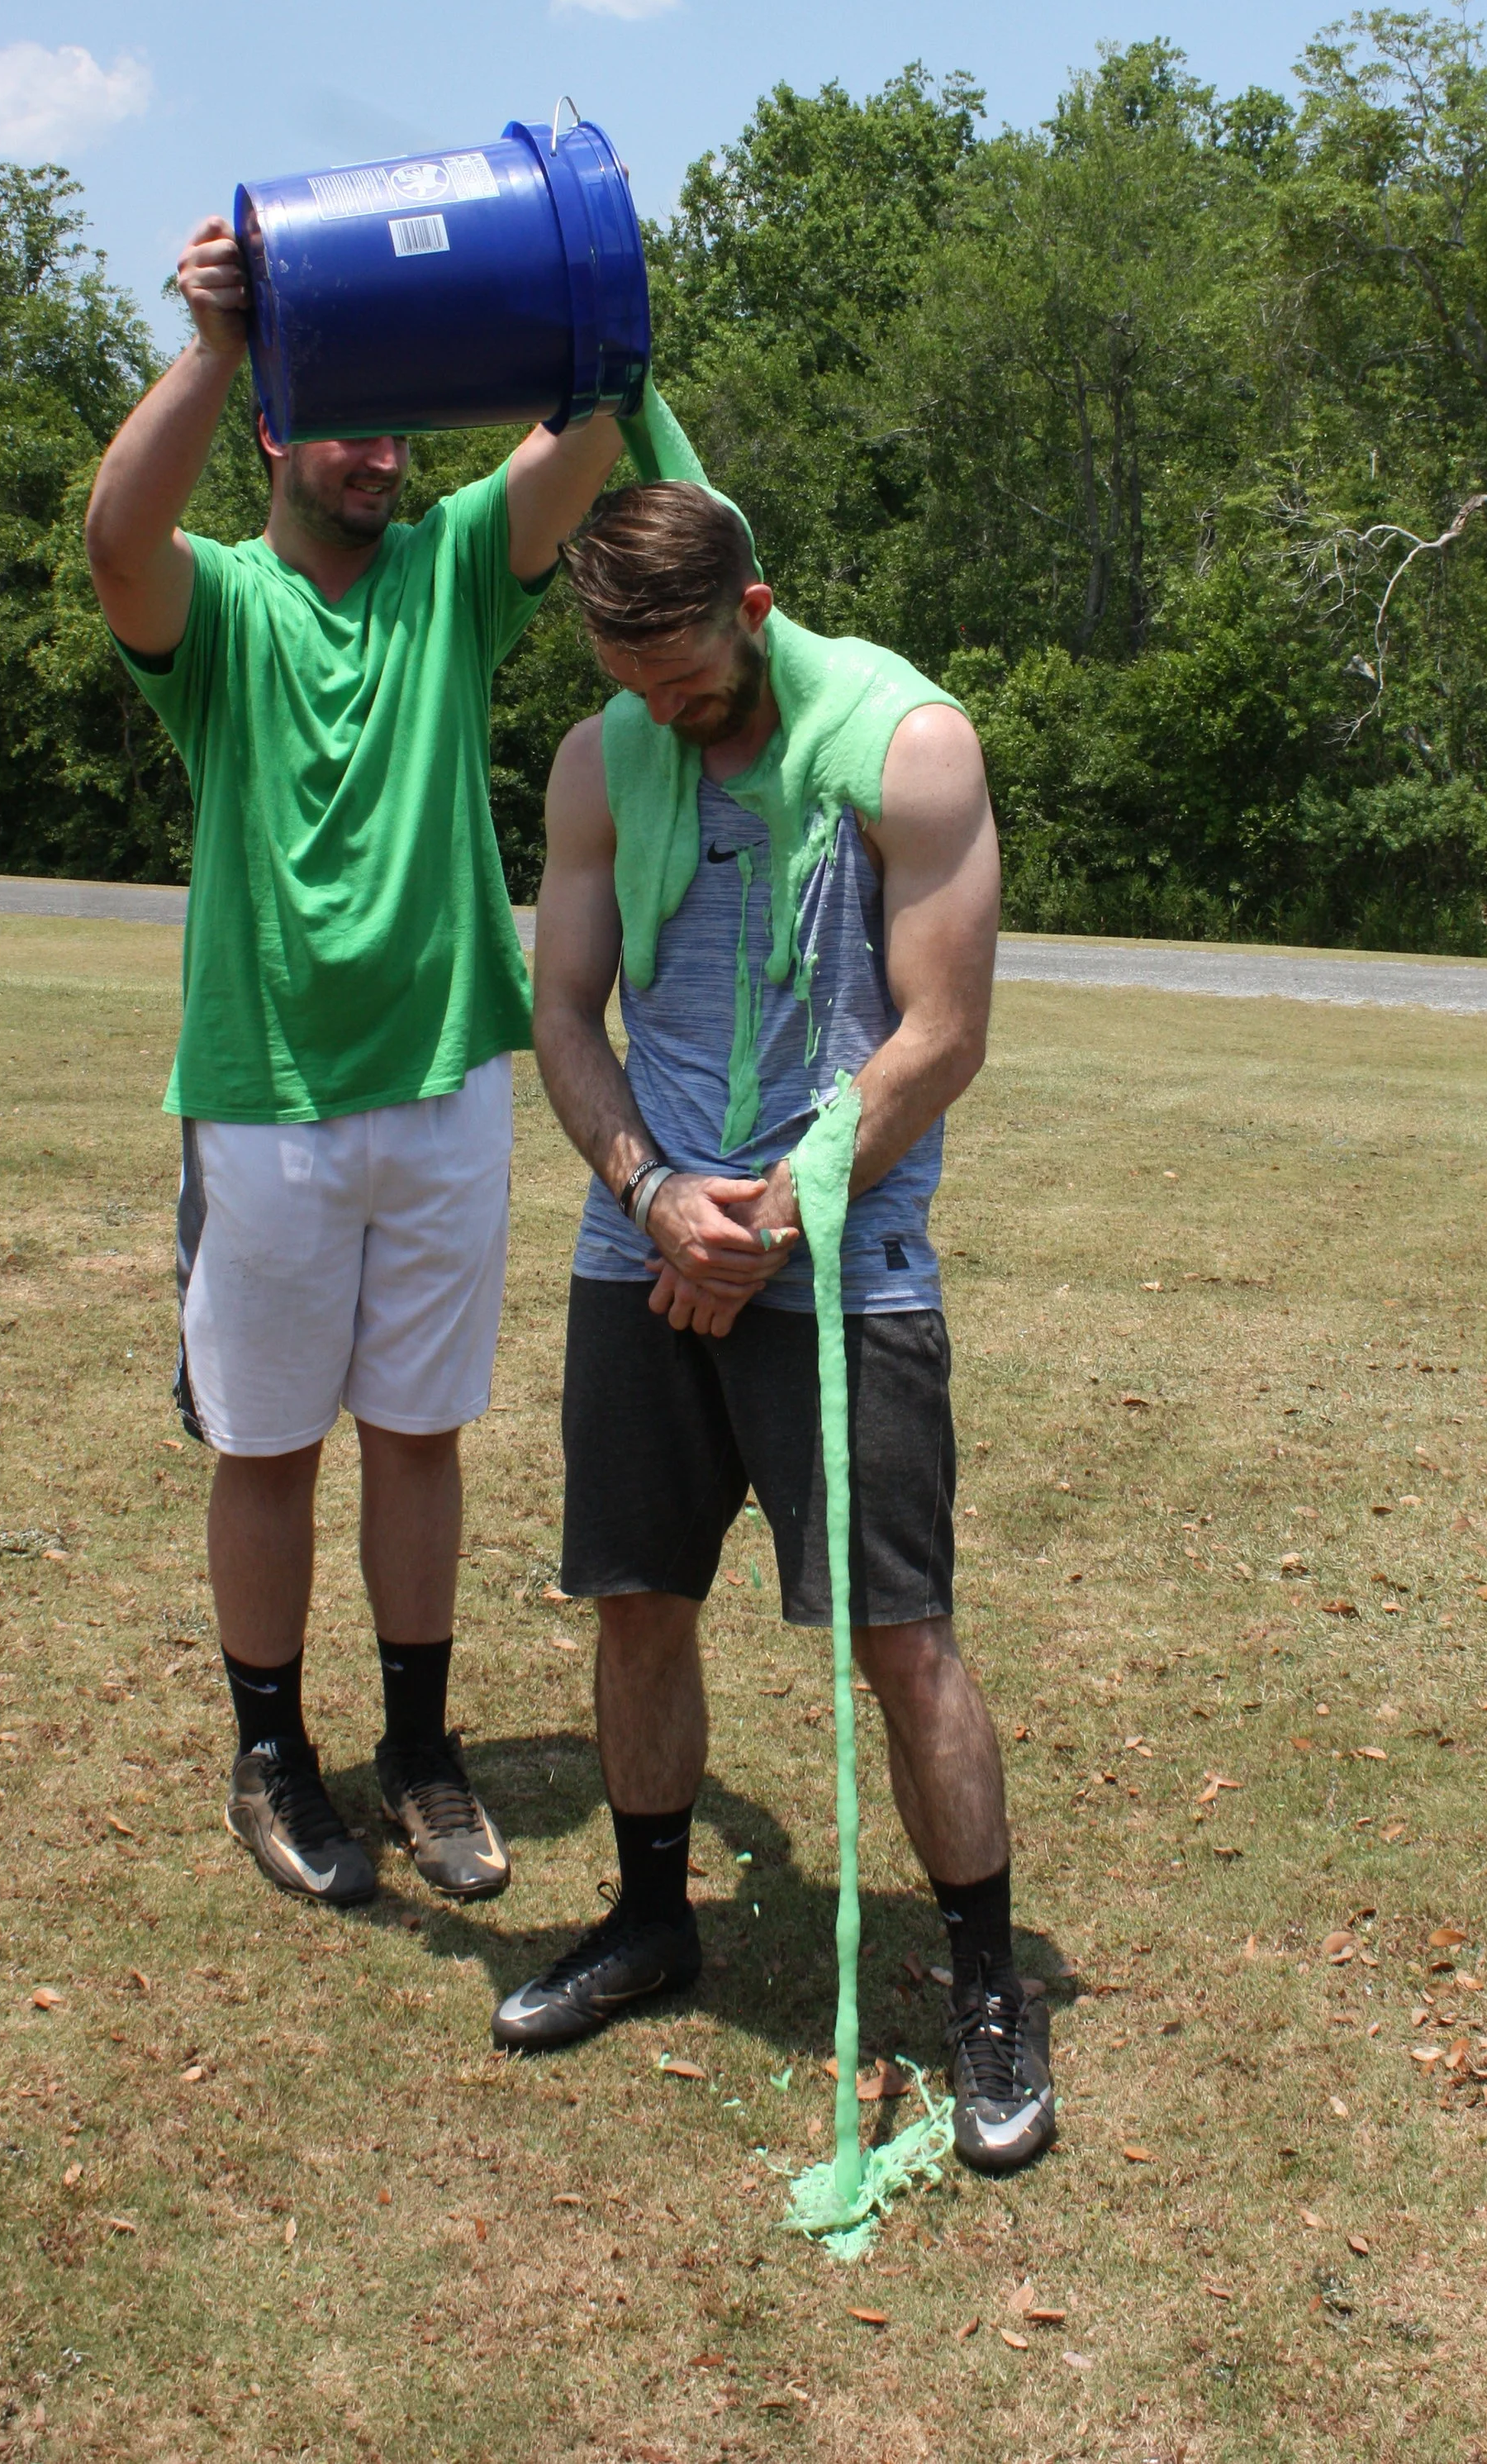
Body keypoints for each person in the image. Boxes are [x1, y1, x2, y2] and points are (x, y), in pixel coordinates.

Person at [492, 473, 1055, 2176]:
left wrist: (774, 1219)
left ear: (751, 610)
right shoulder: (604, 760)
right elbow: (565, 1014)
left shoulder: (910, 745)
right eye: (627, 681)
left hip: (843, 1261)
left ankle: (981, 1990)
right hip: (644, 1246)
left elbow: (939, 1033)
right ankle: (651, 1917)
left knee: (899, 1635)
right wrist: (648, 1187)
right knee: (638, 1604)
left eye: (684, 679)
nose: (660, 712)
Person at [83, 212, 626, 1916]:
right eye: (354, 421)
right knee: (265, 1445)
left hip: (451, 1081)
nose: (386, 452)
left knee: (415, 1432)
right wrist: (221, 339)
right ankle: (271, 1752)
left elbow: (589, 433)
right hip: (264, 1097)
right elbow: (117, 535)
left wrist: (569, 281)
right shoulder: (225, 610)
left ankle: (417, 1750)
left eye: (404, 426)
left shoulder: (455, 572)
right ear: (279, 432)